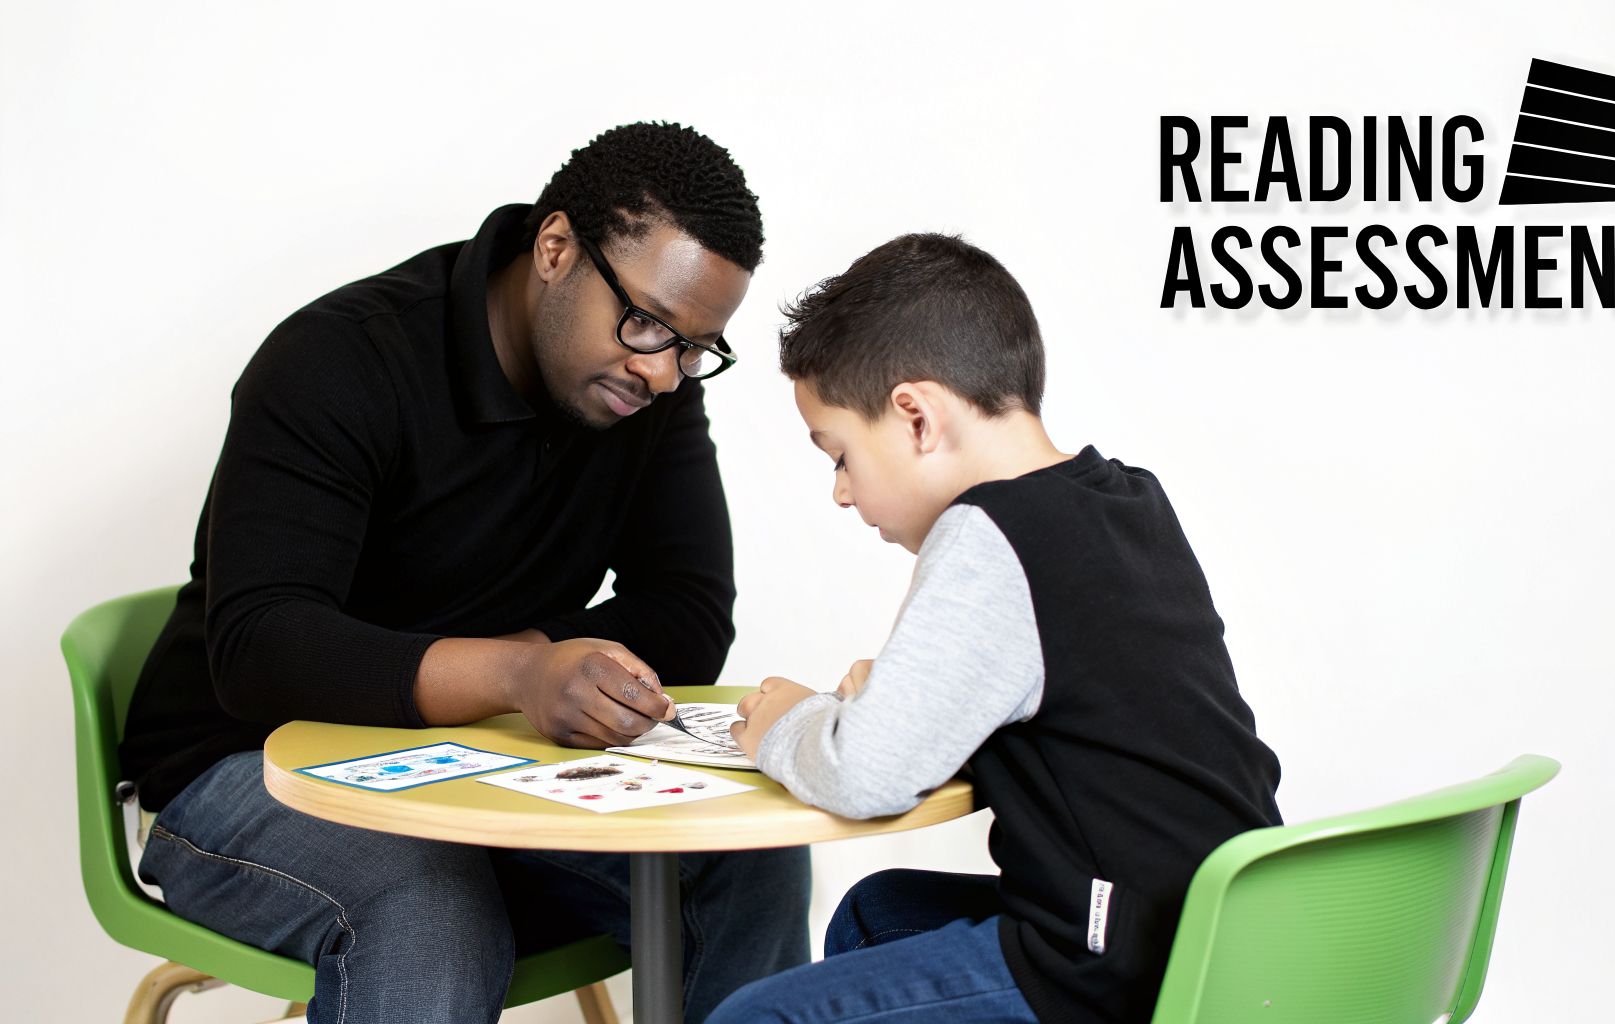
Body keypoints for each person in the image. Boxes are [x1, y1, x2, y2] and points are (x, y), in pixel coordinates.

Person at [119, 122, 809, 1024]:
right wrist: (518, 675)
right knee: (425, 902)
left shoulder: (647, 389)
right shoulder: (340, 359)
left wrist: (539, 671)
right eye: (646, 324)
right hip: (244, 764)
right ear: (556, 248)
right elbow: (261, 650)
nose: (666, 373)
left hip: (477, 766)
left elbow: (687, 606)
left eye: (695, 347)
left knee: (746, 857)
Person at [717, 233, 1284, 1024]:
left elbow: (866, 776)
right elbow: (1087, 701)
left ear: (915, 417)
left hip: (1109, 969)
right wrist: (889, 704)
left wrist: (790, 721)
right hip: (1222, 932)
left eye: (839, 454)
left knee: (751, 1018)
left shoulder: (991, 532)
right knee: (878, 913)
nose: (842, 493)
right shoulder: (1126, 502)